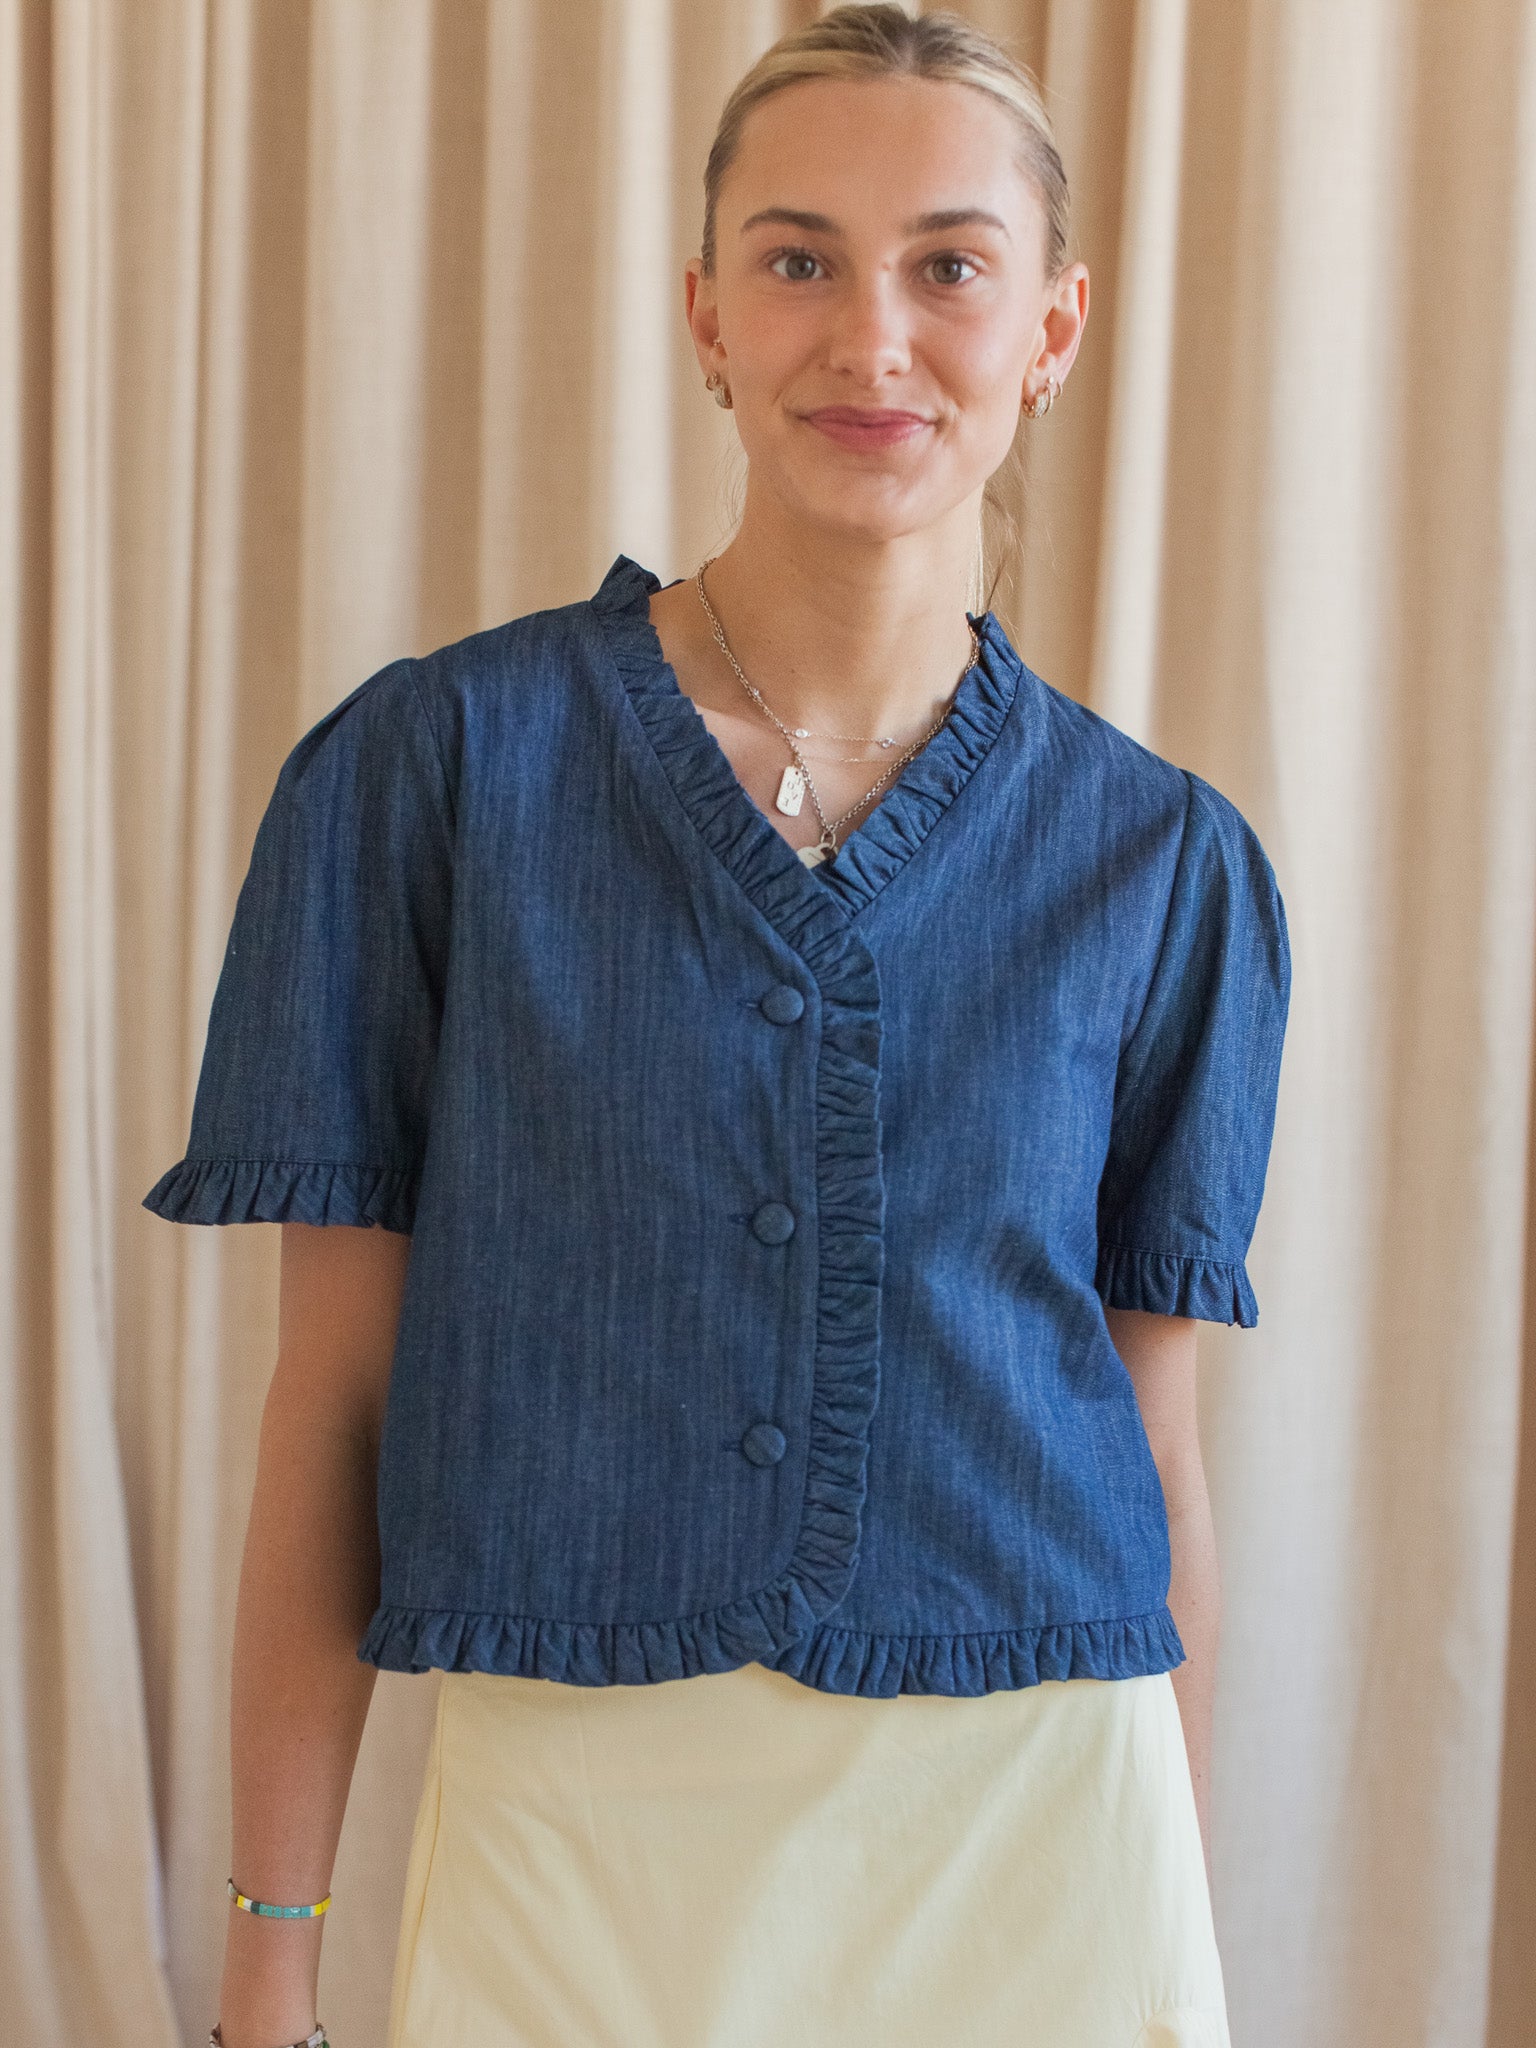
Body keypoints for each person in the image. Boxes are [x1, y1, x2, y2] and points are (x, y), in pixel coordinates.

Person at [143, 8, 1290, 2046]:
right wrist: (266, 1951)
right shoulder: (432, 778)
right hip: (573, 1829)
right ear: (704, 316)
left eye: (949, 266)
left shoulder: (1165, 863)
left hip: (1042, 1826)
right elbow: (332, 1401)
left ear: (1052, 329)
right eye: (798, 259)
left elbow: (1161, 1454)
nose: (872, 338)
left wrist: (1176, 1933)